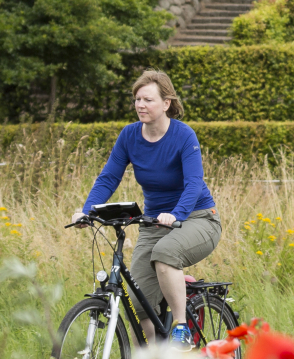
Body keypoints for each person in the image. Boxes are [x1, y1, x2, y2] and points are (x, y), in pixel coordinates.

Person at [70, 70, 220, 341]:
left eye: (148, 99)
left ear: (166, 103)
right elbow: (109, 177)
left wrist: (176, 214)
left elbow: (194, 183)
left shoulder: (184, 136)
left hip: (198, 218)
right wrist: (89, 209)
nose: (140, 105)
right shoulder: (129, 136)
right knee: (138, 304)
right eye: (137, 99)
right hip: (154, 222)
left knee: (165, 254)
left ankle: (180, 327)